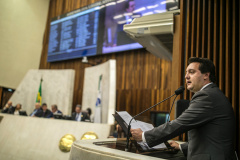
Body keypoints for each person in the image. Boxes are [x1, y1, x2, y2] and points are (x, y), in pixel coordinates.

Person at [131, 57, 236, 159]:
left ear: (206, 75)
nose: (186, 76)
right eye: (186, 72)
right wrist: (181, 146)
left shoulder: (207, 96)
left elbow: (180, 124)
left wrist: (144, 136)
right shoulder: (212, 94)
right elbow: (210, 138)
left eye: (191, 72)